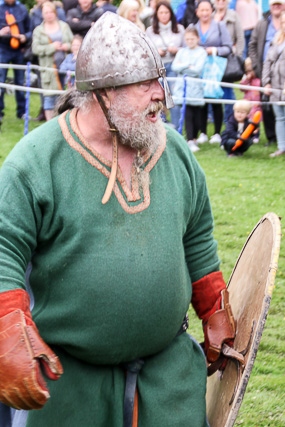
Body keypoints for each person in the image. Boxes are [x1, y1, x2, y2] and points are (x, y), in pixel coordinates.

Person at [0, 12, 236, 427]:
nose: (159, 95)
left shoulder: (175, 153)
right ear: (104, 93)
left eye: (157, 80)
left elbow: (197, 236)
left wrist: (214, 306)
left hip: (168, 379)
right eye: (144, 84)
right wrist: (6, 327)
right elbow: (3, 248)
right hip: (70, 383)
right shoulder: (36, 163)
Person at [194, 0, 233, 144]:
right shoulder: (193, 27)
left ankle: (217, 132)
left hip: (216, 68)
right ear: (197, 12)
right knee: (201, 100)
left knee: (216, 98)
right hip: (200, 68)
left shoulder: (219, 26)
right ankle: (202, 132)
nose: (204, 13)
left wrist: (214, 51)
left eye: (207, 10)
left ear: (212, 11)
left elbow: (228, 48)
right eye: (201, 10)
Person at [248, 0, 284, 146]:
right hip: (266, 71)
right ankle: (272, 138)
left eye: (279, 4)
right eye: (273, 4)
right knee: (267, 106)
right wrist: (257, 67)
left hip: (281, 74)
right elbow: (253, 45)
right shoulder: (262, 23)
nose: (276, 6)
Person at [146, 1, 185, 129]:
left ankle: (176, 126)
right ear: (157, 14)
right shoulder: (150, 31)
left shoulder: (179, 29)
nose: (164, 15)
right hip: (158, 67)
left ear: (171, 13)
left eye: (166, 12)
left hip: (174, 65)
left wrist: (176, 50)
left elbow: (187, 49)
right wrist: (157, 52)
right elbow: (147, 51)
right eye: (161, 12)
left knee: (173, 96)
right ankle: (161, 125)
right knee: (158, 96)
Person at [32, 1, 73, 120]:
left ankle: (65, 122)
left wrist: (67, 46)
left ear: (55, 13)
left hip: (66, 67)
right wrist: (52, 47)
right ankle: (49, 124)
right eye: (46, 12)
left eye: (51, 12)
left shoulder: (64, 26)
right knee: (49, 98)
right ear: (42, 14)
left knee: (65, 96)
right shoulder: (38, 30)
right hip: (49, 68)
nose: (49, 14)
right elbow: (35, 48)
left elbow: (74, 43)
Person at [172, 25, 207, 152]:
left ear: (197, 39)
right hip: (183, 88)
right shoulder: (181, 52)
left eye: (192, 39)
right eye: (187, 39)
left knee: (197, 115)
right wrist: (188, 65)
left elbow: (198, 69)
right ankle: (190, 139)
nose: (190, 41)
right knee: (187, 114)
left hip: (196, 89)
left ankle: (195, 137)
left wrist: (183, 67)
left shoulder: (201, 52)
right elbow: (175, 67)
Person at [0, 0, 31, 125]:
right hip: (3, 49)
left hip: (19, 50)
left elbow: (30, 29)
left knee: (20, 81)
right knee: (1, 82)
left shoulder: (22, 8)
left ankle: (22, 112)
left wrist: (25, 37)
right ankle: (0, 113)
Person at [213, 0, 245, 123]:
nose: (220, 2)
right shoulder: (209, 15)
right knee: (213, 91)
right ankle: (215, 120)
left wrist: (238, 57)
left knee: (227, 92)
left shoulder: (234, 16)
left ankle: (230, 120)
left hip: (228, 60)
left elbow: (240, 38)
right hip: (213, 60)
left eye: (223, 0)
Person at [262, 10, 285, 157]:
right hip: (275, 86)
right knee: (279, 118)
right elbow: (268, 62)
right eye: (282, 22)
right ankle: (282, 147)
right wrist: (267, 82)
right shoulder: (277, 40)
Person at [240, 56, 262, 143]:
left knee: (256, 119)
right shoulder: (246, 79)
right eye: (247, 71)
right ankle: (249, 134)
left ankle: (256, 135)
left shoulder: (258, 79)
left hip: (257, 103)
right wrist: (247, 79)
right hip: (248, 102)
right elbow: (241, 88)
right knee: (248, 119)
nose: (250, 73)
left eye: (251, 70)